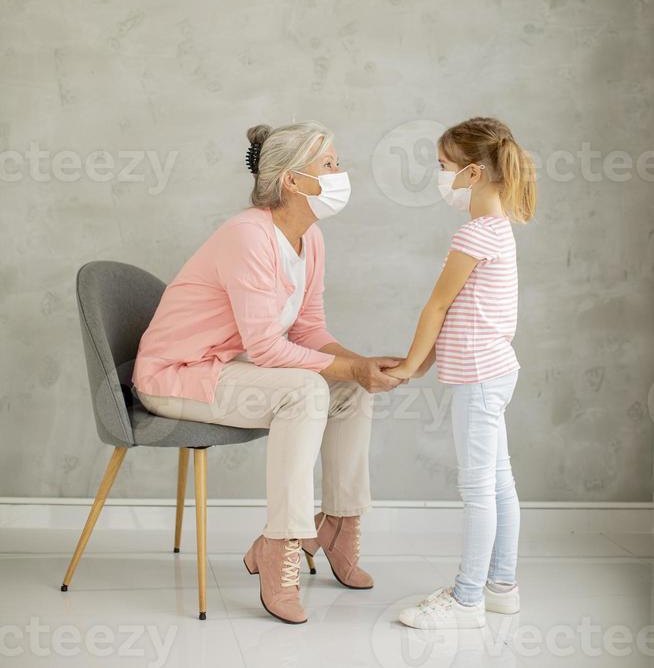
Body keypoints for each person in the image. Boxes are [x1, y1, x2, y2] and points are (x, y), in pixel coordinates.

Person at [131, 120, 403, 625]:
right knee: (304, 391)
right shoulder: (246, 236)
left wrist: (359, 367)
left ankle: (340, 526)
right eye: (329, 165)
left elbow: (309, 328)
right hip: (175, 375)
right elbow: (267, 348)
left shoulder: (310, 238)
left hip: (223, 369)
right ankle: (281, 544)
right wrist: (350, 366)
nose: (341, 173)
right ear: (293, 181)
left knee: (348, 389)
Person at [383, 116, 536, 631]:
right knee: (498, 482)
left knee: (478, 490)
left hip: (478, 377)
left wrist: (408, 365)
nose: (438, 175)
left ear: (472, 174)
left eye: (443, 166)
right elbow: (456, 315)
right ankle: (501, 587)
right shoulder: (499, 230)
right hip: (492, 371)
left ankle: (468, 598)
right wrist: (417, 366)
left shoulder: (475, 234)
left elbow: (437, 307)